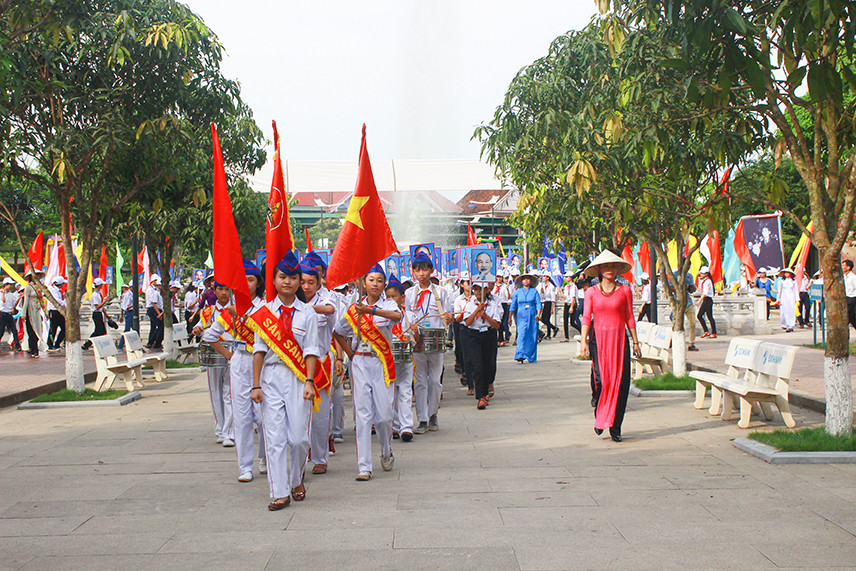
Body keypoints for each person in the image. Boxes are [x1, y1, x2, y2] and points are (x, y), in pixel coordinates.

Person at [249, 251, 320, 510]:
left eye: (292, 277)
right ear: (274, 281)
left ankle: (295, 479)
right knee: (275, 437)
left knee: (300, 438)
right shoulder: (263, 313)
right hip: (270, 378)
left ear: (299, 281)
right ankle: (279, 492)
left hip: (299, 377)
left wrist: (310, 381)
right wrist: (256, 384)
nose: (287, 282)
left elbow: (312, 350)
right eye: (282, 277)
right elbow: (258, 351)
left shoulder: (307, 313)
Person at [333, 263, 401, 481]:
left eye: (379, 281)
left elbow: (396, 317)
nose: (375, 284)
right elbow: (338, 332)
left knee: (384, 416)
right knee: (362, 414)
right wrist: (349, 354)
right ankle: (364, 466)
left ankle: (386, 449)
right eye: (371, 280)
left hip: (381, 362)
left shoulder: (388, 303)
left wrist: (370, 311)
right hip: (360, 362)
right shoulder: (354, 308)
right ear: (364, 283)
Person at [208, 261, 268, 482]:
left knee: (263, 418)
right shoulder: (230, 310)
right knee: (242, 417)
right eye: (242, 280)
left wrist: (243, 315)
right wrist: (230, 355)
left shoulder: (265, 307)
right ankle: (245, 466)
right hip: (241, 361)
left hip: (262, 363)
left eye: (250, 279)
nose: (246, 284)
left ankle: (263, 457)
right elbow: (210, 336)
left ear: (257, 283)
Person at [579, 250, 642, 443]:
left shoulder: (625, 291)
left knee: (621, 384)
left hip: (620, 340)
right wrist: (583, 341)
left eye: (613, 266)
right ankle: (600, 415)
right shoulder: (591, 292)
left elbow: (629, 316)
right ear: (598, 269)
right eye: (606, 266)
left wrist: (636, 342)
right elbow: (586, 318)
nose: (609, 269)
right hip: (599, 341)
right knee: (601, 381)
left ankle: (616, 426)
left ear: (617, 269)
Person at [404, 252, 452, 434]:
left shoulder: (441, 292)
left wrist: (449, 318)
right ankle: (422, 418)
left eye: (424, 269)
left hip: (436, 340)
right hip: (417, 340)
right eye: (417, 270)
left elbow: (448, 316)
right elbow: (407, 316)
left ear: (431, 271)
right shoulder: (409, 294)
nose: (421, 273)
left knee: (435, 380)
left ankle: (433, 414)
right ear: (413, 272)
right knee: (420, 380)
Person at [301, 261, 338, 476]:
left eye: (311, 282)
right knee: (300, 412)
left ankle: (320, 457)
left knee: (321, 414)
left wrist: (304, 308)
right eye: (302, 282)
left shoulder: (326, 298)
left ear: (318, 283)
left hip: (322, 362)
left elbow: (330, 310)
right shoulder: (290, 303)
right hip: (296, 364)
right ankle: (302, 451)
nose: (306, 287)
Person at [199, 280, 236, 448]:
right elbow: (200, 326)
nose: (223, 293)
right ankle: (219, 429)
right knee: (215, 392)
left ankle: (229, 432)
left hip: (232, 355)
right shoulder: (208, 311)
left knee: (230, 392)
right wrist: (197, 329)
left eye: (227, 289)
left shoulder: (236, 309)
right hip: (214, 355)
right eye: (220, 289)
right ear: (214, 290)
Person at [462, 282, 502, 409]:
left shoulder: (495, 302)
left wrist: (485, 316)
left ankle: (485, 391)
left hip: (489, 335)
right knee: (477, 365)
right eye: (476, 289)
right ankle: (480, 396)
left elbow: (496, 325)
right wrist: (477, 311)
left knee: (488, 365)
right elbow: (467, 322)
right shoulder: (470, 303)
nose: (478, 292)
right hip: (474, 335)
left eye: (480, 289)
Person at [385, 275, 415, 442]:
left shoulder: (409, 315)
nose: (390, 299)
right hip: (388, 358)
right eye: (388, 296)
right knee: (390, 392)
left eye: (394, 296)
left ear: (402, 298)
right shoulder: (382, 315)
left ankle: (406, 427)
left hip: (405, 358)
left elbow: (417, 340)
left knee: (405, 390)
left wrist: (414, 330)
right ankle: (393, 425)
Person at [509, 272, 542, 363]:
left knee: (532, 335)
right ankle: (520, 354)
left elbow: (538, 303)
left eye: (528, 279)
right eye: (524, 279)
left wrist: (538, 314)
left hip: (532, 315)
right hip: (521, 315)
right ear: (521, 281)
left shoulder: (534, 291)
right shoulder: (517, 292)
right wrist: (509, 317)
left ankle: (531, 355)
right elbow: (513, 305)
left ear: (531, 281)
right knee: (521, 334)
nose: (526, 280)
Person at [21, 269, 45, 358]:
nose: (38, 277)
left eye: (39, 275)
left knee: (38, 329)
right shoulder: (28, 287)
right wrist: (23, 313)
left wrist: (44, 312)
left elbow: (41, 300)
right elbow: (26, 301)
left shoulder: (39, 287)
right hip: (29, 311)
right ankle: (33, 349)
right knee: (31, 330)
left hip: (37, 311)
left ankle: (36, 349)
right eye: (36, 275)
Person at [0, 277, 22, 352]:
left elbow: (14, 304)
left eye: (11, 285)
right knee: (1, 331)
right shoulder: (1, 293)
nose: (11, 286)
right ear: (5, 285)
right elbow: (2, 302)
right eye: (9, 284)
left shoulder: (11, 295)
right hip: (2, 314)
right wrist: (3, 294)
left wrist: (19, 298)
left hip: (9, 314)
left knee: (14, 330)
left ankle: (17, 346)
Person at [46, 276, 67, 352]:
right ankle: (50, 345)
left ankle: (57, 344)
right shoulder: (53, 290)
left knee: (64, 328)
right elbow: (56, 300)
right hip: (54, 311)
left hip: (59, 311)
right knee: (53, 329)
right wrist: (65, 304)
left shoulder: (58, 291)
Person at [696, 266, 717, 339]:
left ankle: (713, 332)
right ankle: (707, 331)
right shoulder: (705, 281)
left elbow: (705, 293)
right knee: (704, 316)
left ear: (706, 274)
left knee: (704, 316)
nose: (701, 275)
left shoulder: (708, 281)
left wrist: (699, 301)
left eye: (702, 273)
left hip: (707, 300)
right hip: (706, 299)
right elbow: (703, 291)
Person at [537, 273, 559, 339]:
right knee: (545, 319)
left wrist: (552, 308)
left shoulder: (551, 286)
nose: (543, 278)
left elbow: (553, 298)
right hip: (545, 302)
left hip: (549, 303)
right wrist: (542, 292)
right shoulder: (543, 285)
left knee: (545, 319)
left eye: (544, 277)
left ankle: (553, 329)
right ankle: (551, 331)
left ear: (548, 278)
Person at [777, 268, 799, 332]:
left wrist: (797, 299)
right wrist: (778, 299)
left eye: (788, 273)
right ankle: (786, 324)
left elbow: (796, 290)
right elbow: (779, 291)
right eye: (786, 273)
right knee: (784, 311)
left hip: (791, 297)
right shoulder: (781, 282)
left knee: (791, 311)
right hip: (784, 297)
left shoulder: (794, 282)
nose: (787, 274)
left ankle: (791, 325)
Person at [145, 275, 163, 348]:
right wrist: (159, 313)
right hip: (152, 309)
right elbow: (153, 302)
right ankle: (152, 341)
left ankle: (150, 342)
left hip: (154, 309)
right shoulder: (150, 290)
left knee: (153, 327)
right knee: (159, 326)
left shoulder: (155, 290)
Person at [560, 271, 578, 343]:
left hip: (572, 304)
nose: (566, 278)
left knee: (572, 322)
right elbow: (566, 297)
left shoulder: (574, 286)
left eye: (567, 277)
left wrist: (572, 307)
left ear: (570, 278)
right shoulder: (566, 287)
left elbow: (573, 297)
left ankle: (581, 331)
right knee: (565, 320)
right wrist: (561, 292)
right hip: (567, 303)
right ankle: (566, 337)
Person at [117, 283, 133, 350]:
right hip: (129, 312)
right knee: (127, 329)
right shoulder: (127, 295)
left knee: (134, 329)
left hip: (131, 312)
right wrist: (134, 304)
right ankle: (120, 345)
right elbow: (126, 307)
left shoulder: (130, 294)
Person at [844, 260, 856, 331]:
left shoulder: (853, 277)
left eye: (844, 266)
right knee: (851, 318)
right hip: (845, 298)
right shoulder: (844, 277)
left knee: (848, 316)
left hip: (852, 298)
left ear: (848, 267)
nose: (842, 267)